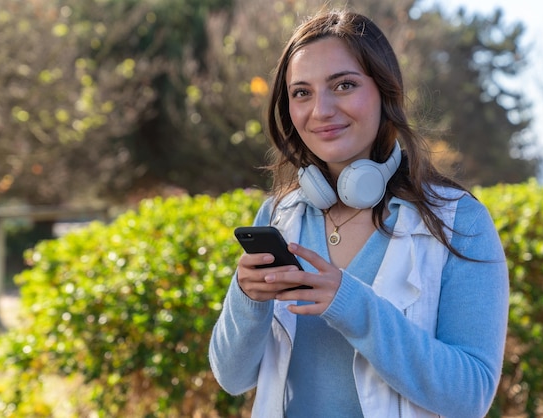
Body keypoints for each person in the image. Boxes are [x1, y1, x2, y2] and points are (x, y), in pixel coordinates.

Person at [208, 8, 509, 418]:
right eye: (302, 93)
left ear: (386, 92)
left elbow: (470, 394)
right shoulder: (279, 215)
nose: (322, 110)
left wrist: (353, 305)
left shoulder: (459, 222)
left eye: (344, 85)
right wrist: (247, 299)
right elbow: (232, 377)